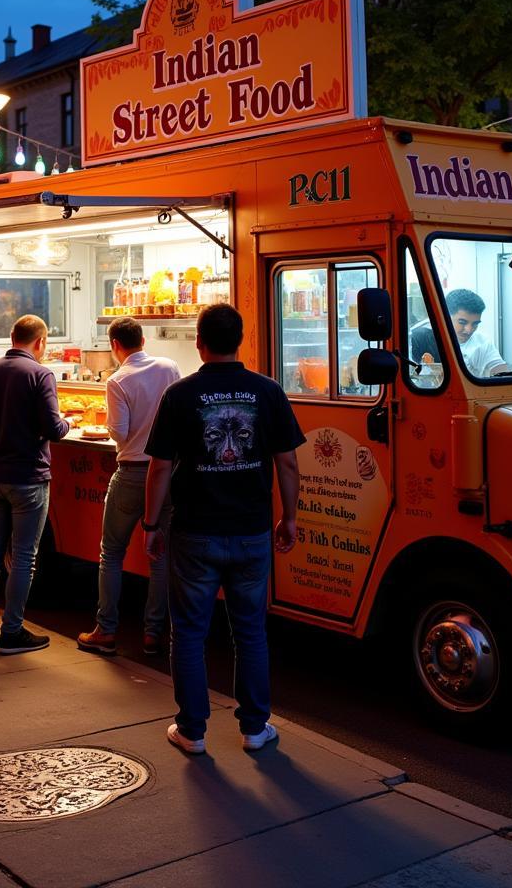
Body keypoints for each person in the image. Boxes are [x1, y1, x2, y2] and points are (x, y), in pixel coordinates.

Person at [143, 304, 304, 755]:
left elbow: (159, 468)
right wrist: (289, 518)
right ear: (241, 340)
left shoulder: (179, 395)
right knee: (250, 631)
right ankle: (255, 729)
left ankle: (192, 731)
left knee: (189, 633)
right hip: (252, 531)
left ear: (199, 341)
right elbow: (287, 461)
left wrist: (151, 523)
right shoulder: (268, 391)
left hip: (195, 531)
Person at [77, 317, 180, 657]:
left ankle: (106, 630)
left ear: (115, 346)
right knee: (160, 555)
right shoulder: (169, 367)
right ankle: (154, 634)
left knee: (111, 553)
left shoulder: (118, 380)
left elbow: (119, 432)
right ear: (143, 340)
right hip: (167, 472)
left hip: (133, 472)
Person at [0, 314, 69, 655]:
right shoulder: (41, 374)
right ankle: (12, 631)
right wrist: (68, 422)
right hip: (28, 477)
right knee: (24, 556)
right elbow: (54, 428)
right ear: (40, 342)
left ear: (13, 337)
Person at [444, 288, 508, 377]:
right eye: (462, 322)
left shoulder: (483, 343)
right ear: (445, 316)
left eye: (475, 324)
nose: (469, 330)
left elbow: (502, 374)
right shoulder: (427, 338)